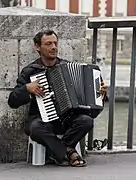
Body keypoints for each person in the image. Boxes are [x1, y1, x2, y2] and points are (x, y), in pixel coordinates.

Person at [7, 30, 108, 167]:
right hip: (43, 121)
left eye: (55, 43)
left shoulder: (67, 67)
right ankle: (69, 152)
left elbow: (93, 108)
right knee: (35, 129)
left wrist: (101, 94)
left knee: (86, 121)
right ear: (38, 47)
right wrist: (27, 89)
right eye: (48, 44)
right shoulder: (30, 71)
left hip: (67, 119)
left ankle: (58, 152)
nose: (54, 47)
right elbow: (12, 101)